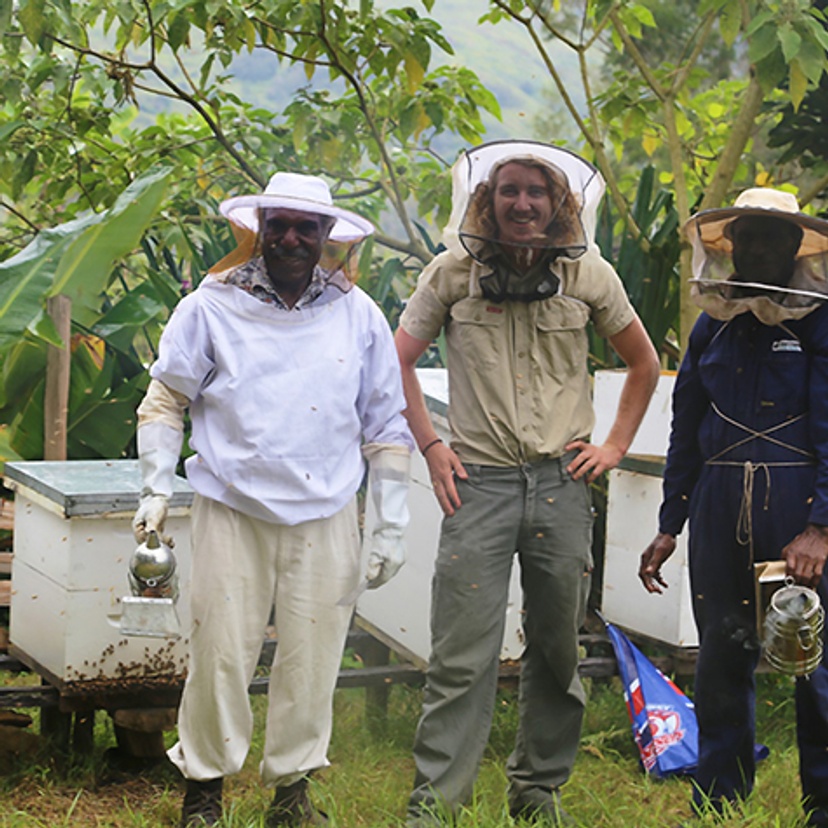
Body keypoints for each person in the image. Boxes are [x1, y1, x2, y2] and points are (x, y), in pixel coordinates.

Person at [131, 172, 413, 827]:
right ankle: (204, 790)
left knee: (312, 659)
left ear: (325, 236)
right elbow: (166, 397)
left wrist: (392, 524)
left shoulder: (358, 314)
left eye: (304, 228)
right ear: (259, 229)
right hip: (232, 506)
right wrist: (154, 488)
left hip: (328, 511)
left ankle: (292, 793)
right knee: (221, 653)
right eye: (278, 225)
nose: (290, 238)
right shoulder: (210, 306)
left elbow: (386, 425)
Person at [396, 140, 660, 826]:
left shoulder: (588, 274)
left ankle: (537, 792)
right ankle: (435, 805)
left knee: (556, 648)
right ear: (486, 200)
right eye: (508, 191)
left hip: (560, 485)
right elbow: (390, 363)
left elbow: (643, 363)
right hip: (476, 484)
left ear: (558, 204)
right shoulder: (452, 273)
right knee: (461, 653)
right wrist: (430, 444)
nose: (522, 204)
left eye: (536, 193)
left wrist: (615, 446)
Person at [639, 188, 828, 825]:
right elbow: (685, 425)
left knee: (815, 659)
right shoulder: (711, 323)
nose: (759, 249)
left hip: (797, 502)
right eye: (749, 236)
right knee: (721, 653)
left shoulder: (820, 321)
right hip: (720, 505)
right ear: (732, 245)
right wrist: (669, 524)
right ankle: (719, 799)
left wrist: (821, 527)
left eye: (774, 238)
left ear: (794, 247)